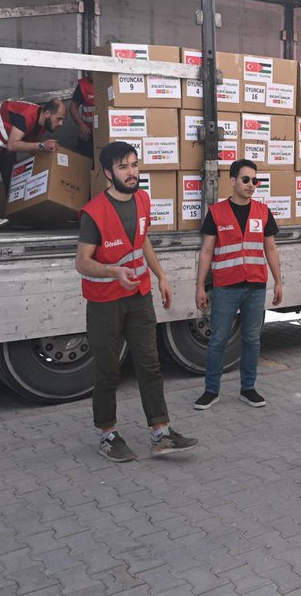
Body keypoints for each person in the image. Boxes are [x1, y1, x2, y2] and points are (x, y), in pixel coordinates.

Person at [74, 141, 198, 461]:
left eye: (134, 164)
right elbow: (82, 262)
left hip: (139, 294)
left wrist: (161, 276)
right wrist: (111, 271)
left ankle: (160, 432)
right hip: (105, 300)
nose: (132, 172)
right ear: (107, 173)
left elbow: (142, 242)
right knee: (108, 370)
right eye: (123, 167)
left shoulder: (142, 199)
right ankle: (107, 433)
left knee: (150, 364)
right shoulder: (94, 213)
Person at [193, 159, 283, 410]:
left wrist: (278, 282)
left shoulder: (263, 212)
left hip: (255, 285)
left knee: (252, 340)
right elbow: (206, 252)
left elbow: (271, 248)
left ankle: (248, 388)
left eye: (255, 180)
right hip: (226, 286)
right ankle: (211, 390)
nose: (251, 185)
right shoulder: (217, 212)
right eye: (246, 179)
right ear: (232, 181)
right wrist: (200, 286)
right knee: (218, 339)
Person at [0, 98, 67, 187]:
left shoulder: (43, 122)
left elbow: (33, 146)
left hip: (6, 139)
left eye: (63, 120)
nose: (61, 124)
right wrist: (42, 145)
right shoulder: (27, 116)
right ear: (47, 113)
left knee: (11, 176)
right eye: (58, 119)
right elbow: (12, 145)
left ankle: (10, 203)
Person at [70, 73, 95, 159]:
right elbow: (73, 107)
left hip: (107, 133)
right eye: (89, 73)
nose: (90, 76)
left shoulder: (109, 82)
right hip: (89, 134)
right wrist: (81, 125)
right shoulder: (83, 85)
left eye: (92, 73)